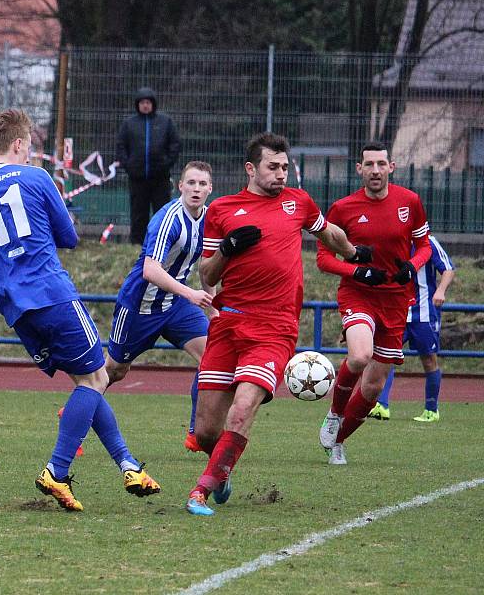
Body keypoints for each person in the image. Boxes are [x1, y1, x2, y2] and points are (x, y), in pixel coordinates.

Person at [0, 109, 160, 512]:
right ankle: (57, 471)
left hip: (15, 308)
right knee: (96, 378)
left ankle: (129, 465)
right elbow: (68, 236)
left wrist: (4, 270)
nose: (30, 154)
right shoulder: (36, 178)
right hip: (51, 291)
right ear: (18, 144)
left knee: (86, 379)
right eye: (29, 147)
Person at [185, 132, 368, 516]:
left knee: (244, 406)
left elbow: (328, 231)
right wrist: (227, 249)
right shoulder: (222, 210)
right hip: (229, 323)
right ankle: (223, 468)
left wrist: (353, 253)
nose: (281, 174)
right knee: (204, 431)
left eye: (285, 167)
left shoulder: (298, 202)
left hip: (274, 328)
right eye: (273, 167)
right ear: (252, 169)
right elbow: (206, 276)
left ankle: (201, 490)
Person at [316, 142, 432, 465]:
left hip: (396, 300)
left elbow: (424, 247)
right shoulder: (343, 208)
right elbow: (324, 259)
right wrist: (357, 271)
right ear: (360, 169)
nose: (376, 170)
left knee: (374, 386)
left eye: (382, 164)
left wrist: (413, 264)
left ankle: (338, 441)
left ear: (392, 167)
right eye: (370, 164)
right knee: (360, 355)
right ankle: (334, 414)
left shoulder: (410, 202)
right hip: (358, 293)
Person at [106, 160, 215, 453]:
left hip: (177, 305)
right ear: (180, 186)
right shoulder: (168, 219)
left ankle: (196, 434)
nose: (196, 189)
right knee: (114, 371)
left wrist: (213, 304)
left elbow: (207, 267)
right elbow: (150, 270)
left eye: (202, 184)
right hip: (139, 307)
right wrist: (191, 294)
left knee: (212, 358)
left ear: (210, 189)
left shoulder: (209, 219)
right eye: (190, 183)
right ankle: (75, 414)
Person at [368, 235, 455, 422]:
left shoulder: (427, 241)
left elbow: (448, 269)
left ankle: (431, 410)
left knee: (429, 360)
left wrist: (441, 291)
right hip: (396, 311)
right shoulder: (391, 238)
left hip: (423, 313)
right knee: (385, 356)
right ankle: (381, 405)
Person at [116, 87, 181, 245]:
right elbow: (121, 146)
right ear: (137, 104)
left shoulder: (165, 122)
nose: (145, 105)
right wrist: (129, 166)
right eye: (142, 102)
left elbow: (175, 145)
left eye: (148, 102)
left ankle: (163, 242)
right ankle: (137, 244)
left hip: (160, 178)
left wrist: (166, 164)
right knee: (139, 213)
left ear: (153, 104)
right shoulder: (129, 124)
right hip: (137, 178)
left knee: (162, 212)